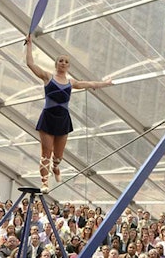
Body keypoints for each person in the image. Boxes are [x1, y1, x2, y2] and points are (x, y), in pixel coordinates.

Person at [25, 34, 113, 192]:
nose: (63, 63)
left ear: (68, 66)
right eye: (61, 61)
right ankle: (44, 182)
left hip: (63, 120)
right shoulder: (47, 77)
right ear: (56, 64)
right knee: (46, 152)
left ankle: (56, 167)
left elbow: (90, 84)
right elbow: (30, 63)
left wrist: (105, 83)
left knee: (58, 155)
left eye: (66, 62)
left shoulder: (71, 83)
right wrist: (29, 44)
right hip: (48, 118)